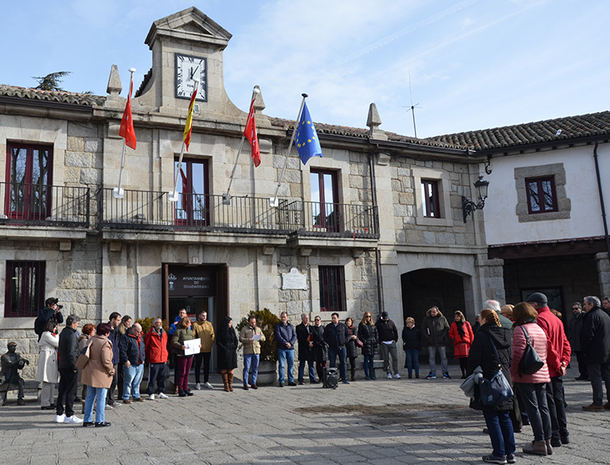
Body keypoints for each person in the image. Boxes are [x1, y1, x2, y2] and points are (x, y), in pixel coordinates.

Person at [468, 309, 515, 464]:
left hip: (490, 378)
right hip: (505, 378)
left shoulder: (482, 335)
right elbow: (511, 357)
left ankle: (499, 453)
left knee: (492, 416)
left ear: (484, 319)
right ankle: (510, 453)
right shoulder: (506, 333)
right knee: (506, 415)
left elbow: (474, 359)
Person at [526, 292, 571, 447]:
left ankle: (555, 436)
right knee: (559, 401)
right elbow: (565, 342)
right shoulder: (556, 318)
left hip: (549, 368)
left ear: (535, 305)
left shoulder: (540, 320)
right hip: (558, 368)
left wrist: (558, 364)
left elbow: (548, 345)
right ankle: (564, 433)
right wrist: (564, 362)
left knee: (549, 403)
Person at [511, 302, 553, 456]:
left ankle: (539, 441)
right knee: (543, 407)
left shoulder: (520, 329)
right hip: (542, 373)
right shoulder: (539, 329)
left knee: (532, 408)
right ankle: (547, 441)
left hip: (526, 375)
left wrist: (513, 374)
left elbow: (517, 355)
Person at [81, 323, 114, 428]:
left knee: (90, 397)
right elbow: (106, 360)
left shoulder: (91, 339)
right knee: (101, 398)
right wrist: (111, 370)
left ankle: (87, 420)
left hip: (90, 370)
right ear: (107, 333)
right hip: (101, 372)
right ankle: (99, 420)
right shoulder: (105, 343)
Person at [581, 295, 610, 411]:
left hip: (594, 352)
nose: (584, 306)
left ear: (591, 304)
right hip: (606, 351)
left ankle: (597, 402)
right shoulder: (605, 315)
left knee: (596, 377)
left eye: (585, 304)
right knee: (608, 377)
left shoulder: (591, 316)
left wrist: (585, 350)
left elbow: (588, 336)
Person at [56, 314, 82, 424]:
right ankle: (69, 414)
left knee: (62, 389)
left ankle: (59, 413)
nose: (77, 326)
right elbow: (71, 352)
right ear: (72, 323)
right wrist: (75, 366)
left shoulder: (63, 333)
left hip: (63, 365)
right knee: (71, 391)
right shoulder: (71, 334)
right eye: (77, 324)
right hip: (70, 366)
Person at [171, 317, 197, 397]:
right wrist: (181, 346)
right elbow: (174, 342)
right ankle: (180, 389)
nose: (190, 323)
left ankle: (186, 388)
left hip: (190, 354)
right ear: (185, 323)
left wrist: (198, 345)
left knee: (187, 373)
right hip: (182, 354)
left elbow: (193, 341)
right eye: (189, 322)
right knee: (182, 372)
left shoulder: (190, 331)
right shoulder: (178, 331)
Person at [120, 323, 145, 403]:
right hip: (130, 363)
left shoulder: (140, 337)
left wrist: (143, 358)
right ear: (133, 330)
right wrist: (126, 360)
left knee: (137, 381)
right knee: (128, 381)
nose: (140, 333)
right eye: (138, 331)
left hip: (140, 362)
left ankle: (136, 395)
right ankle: (126, 397)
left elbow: (143, 348)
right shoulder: (126, 337)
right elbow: (123, 350)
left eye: (140, 332)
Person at [422, 306, 450, 379]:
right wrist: (428, 338)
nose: (433, 313)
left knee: (443, 357)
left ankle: (445, 373)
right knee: (431, 358)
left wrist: (442, 336)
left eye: (434, 312)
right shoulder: (427, 319)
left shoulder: (442, 318)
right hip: (431, 341)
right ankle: (433, 373)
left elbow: (447, 328)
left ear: (437, 311)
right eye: (432, 312)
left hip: (441, 341)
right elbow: (423, 329)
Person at [144, 318, 169, 400]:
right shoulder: (150, 334)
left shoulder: (164, 333)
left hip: (163, 358)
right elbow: (146, 346)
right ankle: (151, 392)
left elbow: (165, 345)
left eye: (160, 322)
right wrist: (148, 357)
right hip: (154, 359)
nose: (159, 324)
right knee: (152, 377)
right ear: (154, 324)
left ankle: (161, 391)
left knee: (162, 377)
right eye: (157, 322)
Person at [239, 314, 266, 390]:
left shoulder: (258, 329)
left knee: (255, 368)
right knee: (247, 368)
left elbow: (264, 338)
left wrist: (259, 337)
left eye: (254, 322)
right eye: (251, 322)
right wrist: (248, 340)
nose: (253, 324)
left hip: (256, 351)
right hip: (248, 351)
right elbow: (241, 339)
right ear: (248, 322)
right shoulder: (244, 329)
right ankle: (245, 383)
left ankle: (254, 383)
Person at [37, 321, 59, 410]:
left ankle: (51, 401)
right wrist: (57, 335)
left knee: (52, 382)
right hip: (47, 358)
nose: (56, 329)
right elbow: (57, 343)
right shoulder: (46, 334)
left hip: (52, 358)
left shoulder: (50, 334)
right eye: (55, 327)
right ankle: (45, 403)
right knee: (47, 382)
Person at [324, 312, 350, 384]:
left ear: (338, 318)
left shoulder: (343, 326)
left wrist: (344, 341)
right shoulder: (329, 326)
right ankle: (333, 379)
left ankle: (344, 378)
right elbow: (325, 336)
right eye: (332, 318)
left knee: (343, 362)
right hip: (332, 348)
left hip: (342, 347)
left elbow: (348, 335)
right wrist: (328, 343)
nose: (333, 319)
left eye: (334, 318)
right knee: (332, 363)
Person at [192, 310, 215, 390]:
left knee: (207, 366)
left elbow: (212, 335)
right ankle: (197, 382)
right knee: (198, 366)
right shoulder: (195, 324)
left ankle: (206, 381)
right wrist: (196, 344)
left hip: (208, 348)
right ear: (199, 316)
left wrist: (211, 343)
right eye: (203, 315)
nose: (204, 317)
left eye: (205, 315)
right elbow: (193, 335)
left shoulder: (209, 324)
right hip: (199, 349)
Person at [449, 310, 474, 379]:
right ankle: (463, 373)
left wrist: (472, 343)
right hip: (458, 344)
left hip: (466, 344)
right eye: (455, 316)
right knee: (461, 360)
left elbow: (471, 333)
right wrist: (454, 338)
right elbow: (451, 333)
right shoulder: (453, 324)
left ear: (461, 316)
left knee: (467, 360)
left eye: (458, 316)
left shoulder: (466, 323)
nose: (456, 318)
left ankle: (468, 373)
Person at [275, 311, 297, 387]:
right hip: (282, 348)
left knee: (291, 365)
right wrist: (285, 343)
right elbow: (278, 336)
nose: (283, 318)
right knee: (282, 365)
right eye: (282, 317)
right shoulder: (278, 326)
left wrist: (290, 343)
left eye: (284, 317)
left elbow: (294, 336)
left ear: (287, 317)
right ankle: (281, 380)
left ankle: (291, 380)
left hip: (291, 348)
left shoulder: (291, 326)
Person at [217, 316, 238, 392]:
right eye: (229, 323)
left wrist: (235, 346)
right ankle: (226, 385)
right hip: (224, 352)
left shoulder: (232, 330)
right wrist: (224, 349)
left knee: (231, 369)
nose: (230, 324)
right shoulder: (220, 331)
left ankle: (230, 384)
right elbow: (218, 341)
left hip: (232, 352)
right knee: (224, 369)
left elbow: (235, 339)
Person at [567, 302, 588, 381]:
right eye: (573, 309)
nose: (574, 310)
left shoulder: (584, 317)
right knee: (580, 360)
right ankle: (582, 374)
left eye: (576, 308)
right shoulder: (572, 319)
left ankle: (587, 374)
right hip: (576, 343)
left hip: (583, 343)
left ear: (581, 309)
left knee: (585, 360)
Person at [377, 312, 400, 379]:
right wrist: (380, 341)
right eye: (385, 317)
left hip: (391, 342)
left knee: (395, 358)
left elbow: (395, 331)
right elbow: (376, 332)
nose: (386, 318)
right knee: (386, 358)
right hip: (384, 343)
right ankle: (388, 372)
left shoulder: (391, 322)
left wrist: (395, 339)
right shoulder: (379, 323)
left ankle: (396, 372)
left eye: (387, 317)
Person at [296, 313, 317, 384]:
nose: (307, 319)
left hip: (310, 349)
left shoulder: (311, 327)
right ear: (302, 319)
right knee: (302, 364)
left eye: (308, 318)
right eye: (305, 318)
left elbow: (315, 336)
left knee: (311, 365)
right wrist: (308, 343)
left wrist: (312, 343)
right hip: (303, 348)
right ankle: (300, 379)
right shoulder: (298, 327)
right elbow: (300, 338)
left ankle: (312, 379)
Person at [78, 323, 96, 405]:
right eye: (93, 330)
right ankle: (85, 406)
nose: (94, 332)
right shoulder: (84, 340)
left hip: (89, 366)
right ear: (89, 331)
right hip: (85, 366)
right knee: (86, 387)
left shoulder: (88, 339)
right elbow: (85, 353)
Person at [106, 311, 121, 408]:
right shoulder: (105, 329)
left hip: (115, 358)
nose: (119, 322)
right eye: (118, 320)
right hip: (108, 359)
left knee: (114, 381)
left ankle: (111, 400)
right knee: (107, 381)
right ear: (112, 320)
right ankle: (104, 401)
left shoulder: (117, 330)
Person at [116, 314, 132, 399]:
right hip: (121, 355)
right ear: (124, 322)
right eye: (128, 322)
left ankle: (123, 393)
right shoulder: (120, 330)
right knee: (121, 376)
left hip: (125, 354)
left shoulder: (128, 330)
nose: (129, 323)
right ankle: (120, 394)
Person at [358, 312, 378, 380]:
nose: (368, 318)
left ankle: (372, 375)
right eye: (367, 316)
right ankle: (367, 375)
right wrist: (364, 341)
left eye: (369, 316)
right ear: (364, 317)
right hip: (366, 344)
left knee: (371, 360)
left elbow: (376, 333)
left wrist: (376, 340)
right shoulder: (362, 325)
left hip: (372, 343)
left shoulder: (373, 325)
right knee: (366, 360)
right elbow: (360, 335)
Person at [311, 316, 328, 382]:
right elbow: (311, 337)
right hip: (316, 348)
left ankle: (325, 377)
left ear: (320, 320)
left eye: (318, 320)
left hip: (323, 348)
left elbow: (326, 337)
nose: (317, 321)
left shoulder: (324, 328)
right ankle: (320, 377)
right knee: (318, 364)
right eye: (315, 320)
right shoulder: (312, 328)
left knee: (324, 364)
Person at [345, 317, 359, 382]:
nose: (348, 322)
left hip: (352, 347)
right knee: (343, 362)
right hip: (345, 347)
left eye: (349, 321)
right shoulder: (344, 328)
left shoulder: (354, 328)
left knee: (353, 364)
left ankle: (353, 376)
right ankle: (344, 376)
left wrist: (354, 337)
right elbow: (344, 339)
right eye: (347, 321)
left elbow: (355, 337)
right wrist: (350, 336)